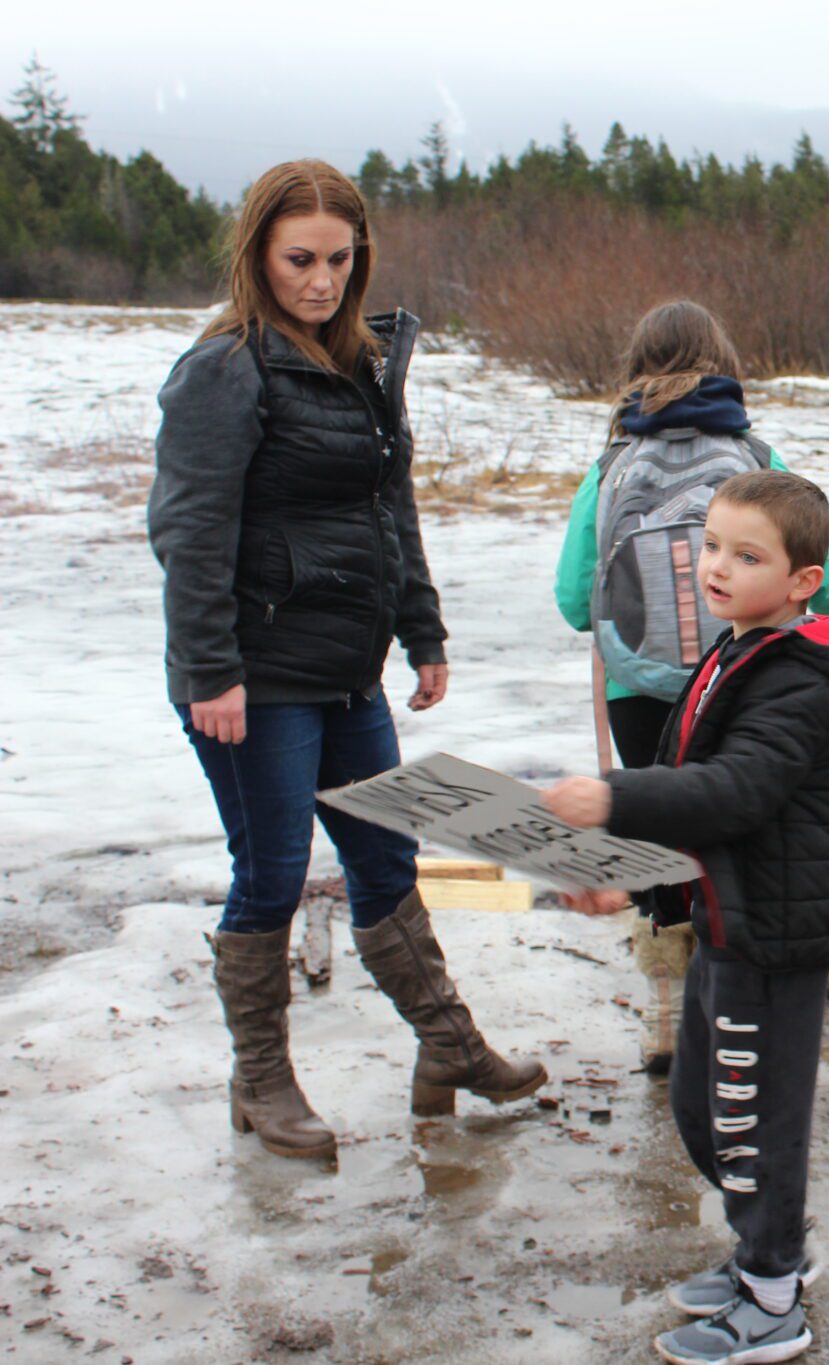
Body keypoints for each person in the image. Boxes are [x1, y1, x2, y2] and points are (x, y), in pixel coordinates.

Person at [147, 159, 544, 1161]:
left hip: (346, 668)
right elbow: (190, 531)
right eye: (298, 260)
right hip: (255, 675)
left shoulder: (363, 362)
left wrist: (424, 628)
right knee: (272, 873)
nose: (319, 281)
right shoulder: (225, 367)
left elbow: (387, 507)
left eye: (337, 259)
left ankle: (448, 1051)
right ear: (256, 256)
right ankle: (261, 1083)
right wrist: (210, 672)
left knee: (384, 857)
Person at [543, 470, 829, 1364]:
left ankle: (774, 1294)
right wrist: (626, 877)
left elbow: (733, 792)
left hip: (774, 937)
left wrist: (612, 798)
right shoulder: (737, 650)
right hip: (728, 921)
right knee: (701, 1104)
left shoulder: (801, 679)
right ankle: (765, 1249)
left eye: (747, 556)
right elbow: (700, 798)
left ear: (803, 580)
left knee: (751, 1118)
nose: (717, 566)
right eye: (710, 546)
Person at [553, 299, 829, 1075]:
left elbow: (569, 597)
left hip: (638, 690)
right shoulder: (755, 453)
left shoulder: (610, 465)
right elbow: (828, 583)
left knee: (656, 836)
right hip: (741, 677)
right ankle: (726, 1004)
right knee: (731, 828)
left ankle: (664, 1011)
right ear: (724, 360)